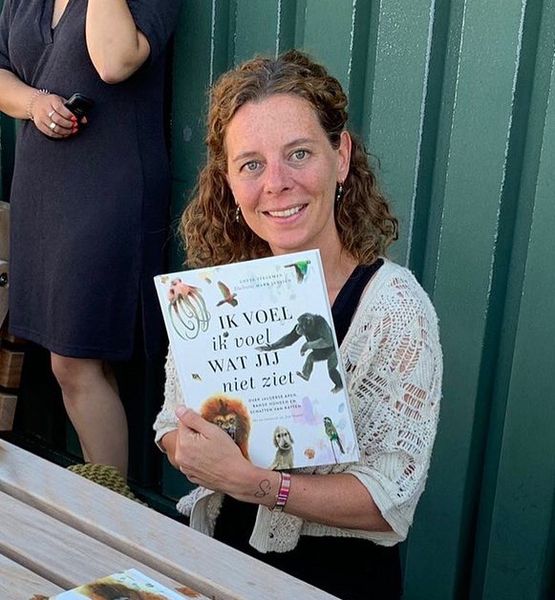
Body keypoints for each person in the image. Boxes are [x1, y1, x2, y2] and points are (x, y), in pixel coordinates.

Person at [154, 50, 442, 600]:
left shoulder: (394, 308)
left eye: (299, 154)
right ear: (229, 181)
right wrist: (185, 447)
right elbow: (172, 421)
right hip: (218, 556)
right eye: (251, 164)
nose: (277, 183)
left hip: (333, 579)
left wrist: (257, 483)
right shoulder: (217, 293)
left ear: (341, 157)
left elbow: (389, 500)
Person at [0, 0, 182, 477]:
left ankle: (110, 506)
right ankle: (105, 492)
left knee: (75, 359)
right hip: (42, 193)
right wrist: (34, 104)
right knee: (72, 360)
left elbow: (114, 61)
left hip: (108, 188)